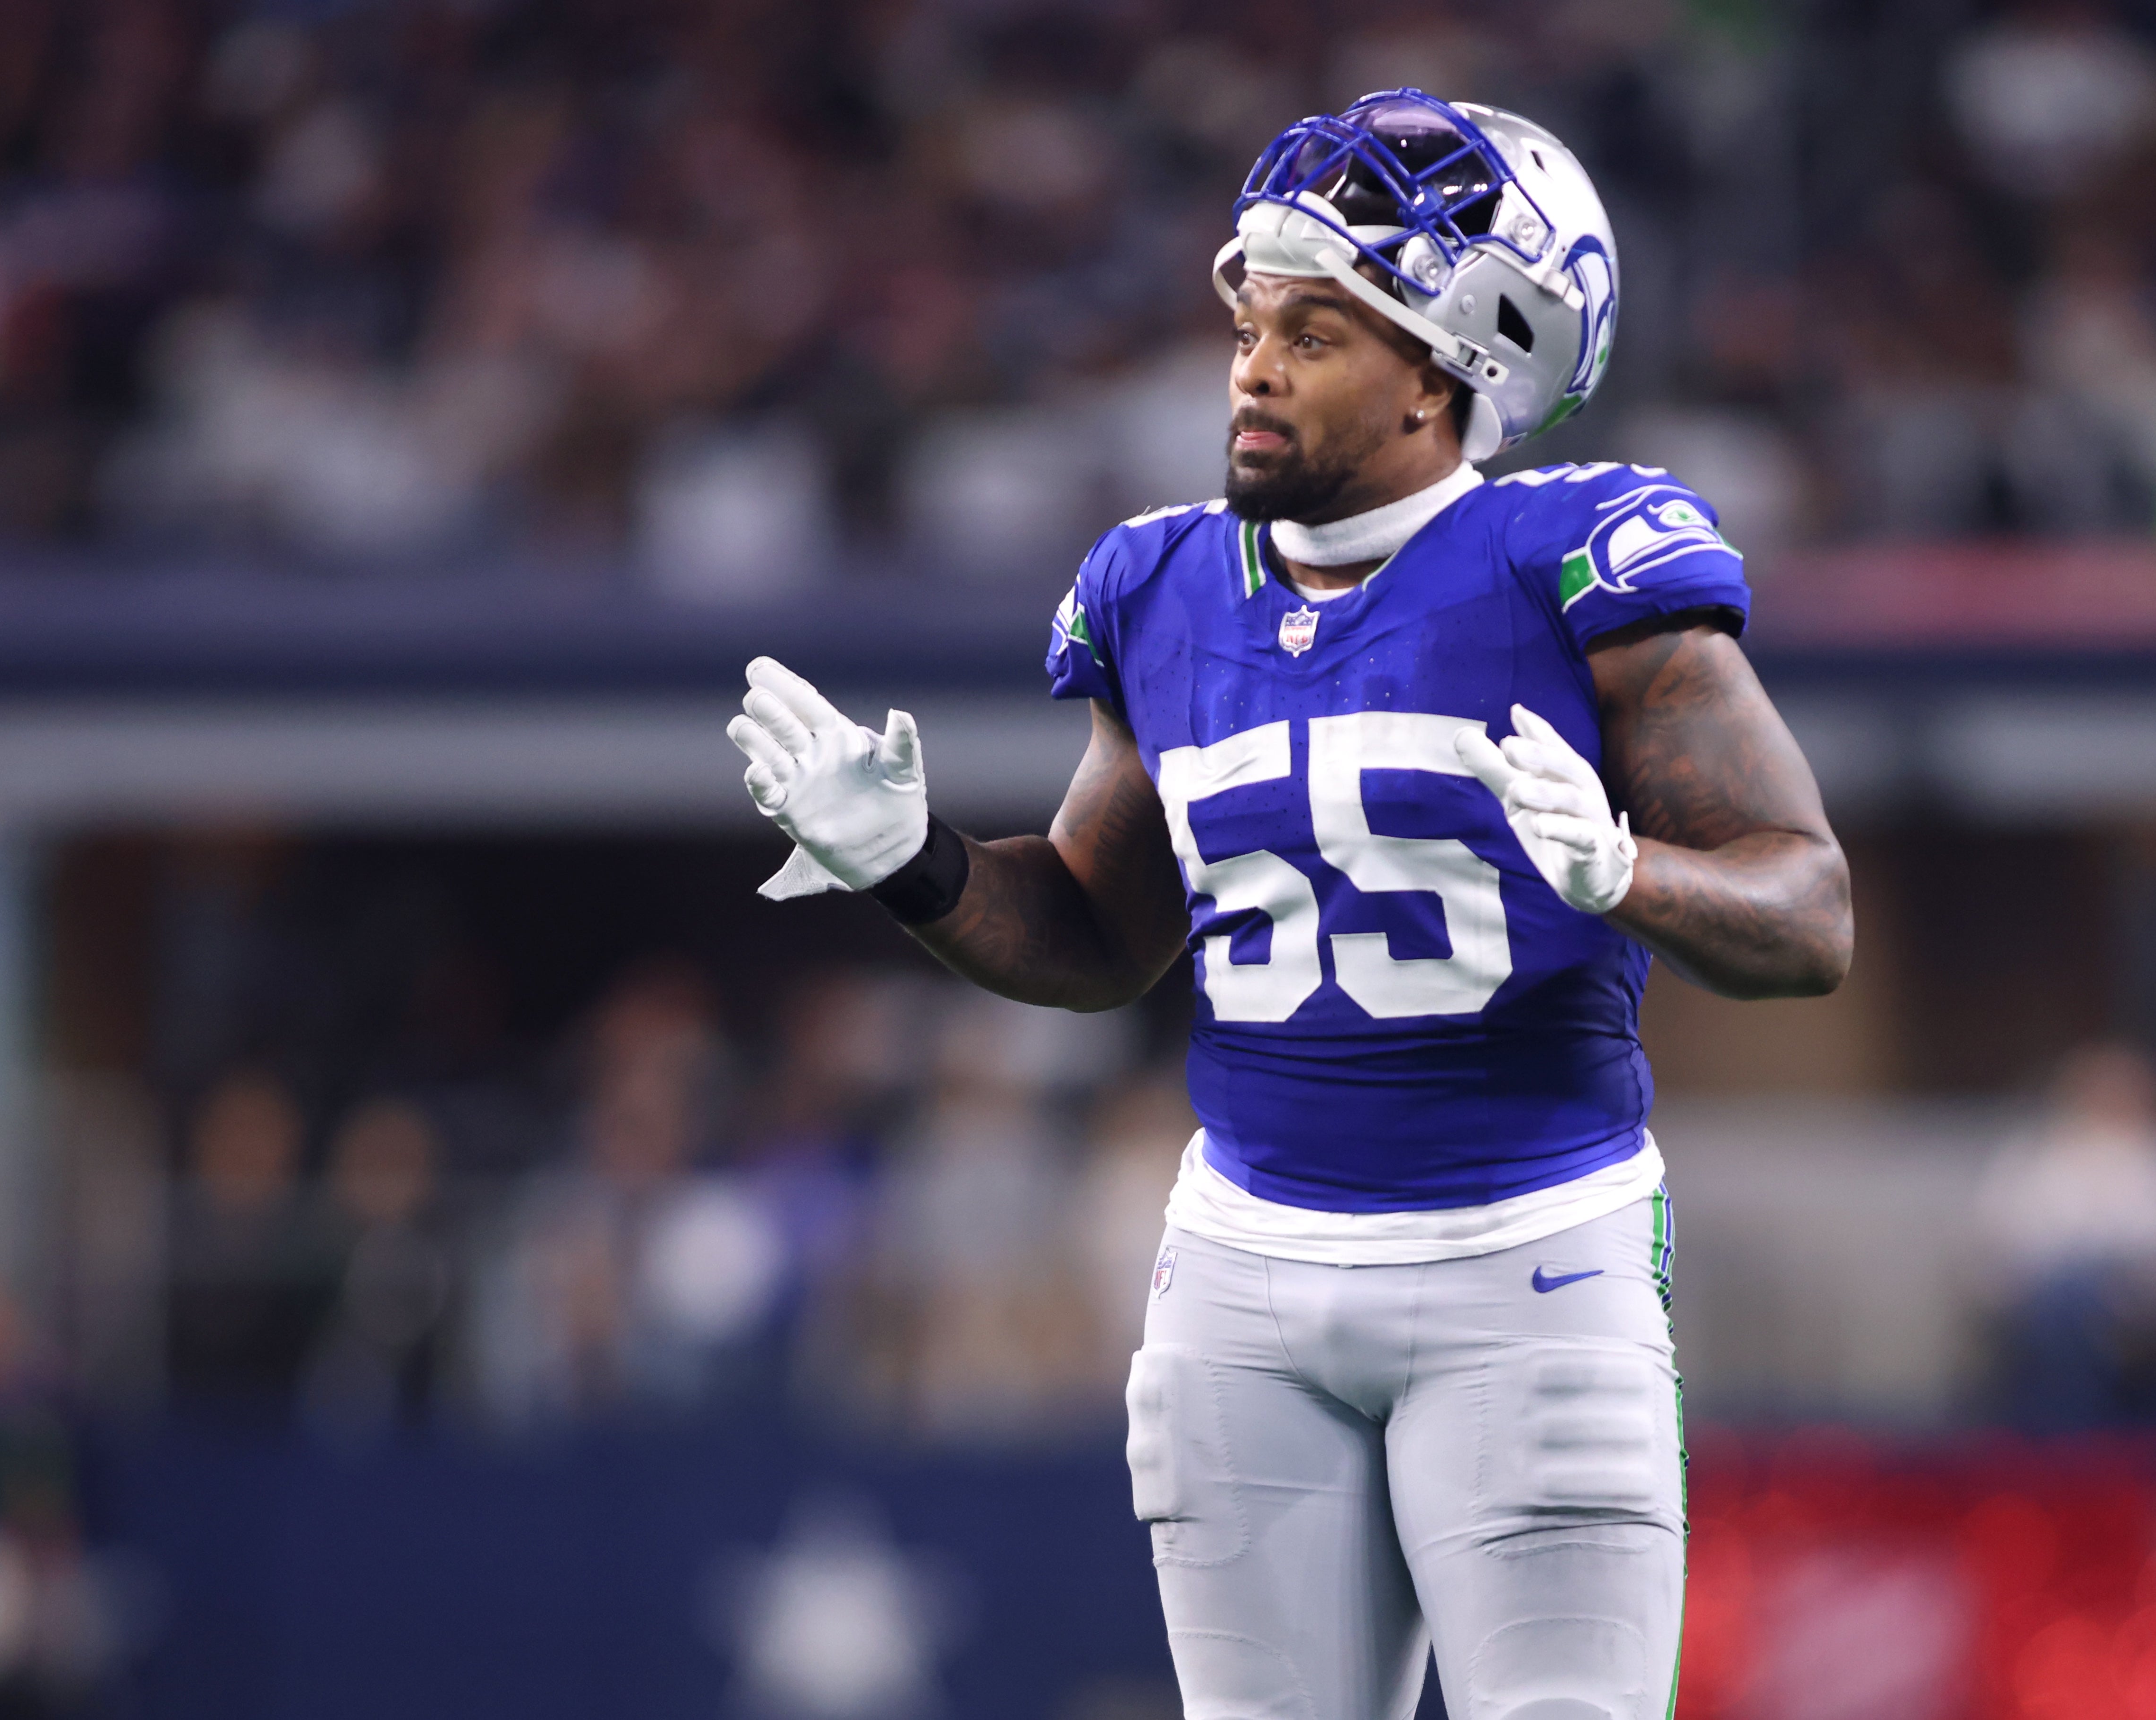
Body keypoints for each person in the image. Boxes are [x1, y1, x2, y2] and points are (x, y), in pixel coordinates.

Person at [727, 89, 1850, 1720]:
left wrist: (1633, 875)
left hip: (1527, 1257)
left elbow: (1810, 915)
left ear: (1443, 371)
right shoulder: (1162, 588)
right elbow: (1102, 938)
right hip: (1243, 1270)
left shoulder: (1576, 560)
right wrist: (914, 861)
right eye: (1252, 324)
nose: (1253, 367)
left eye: (1314, 334)